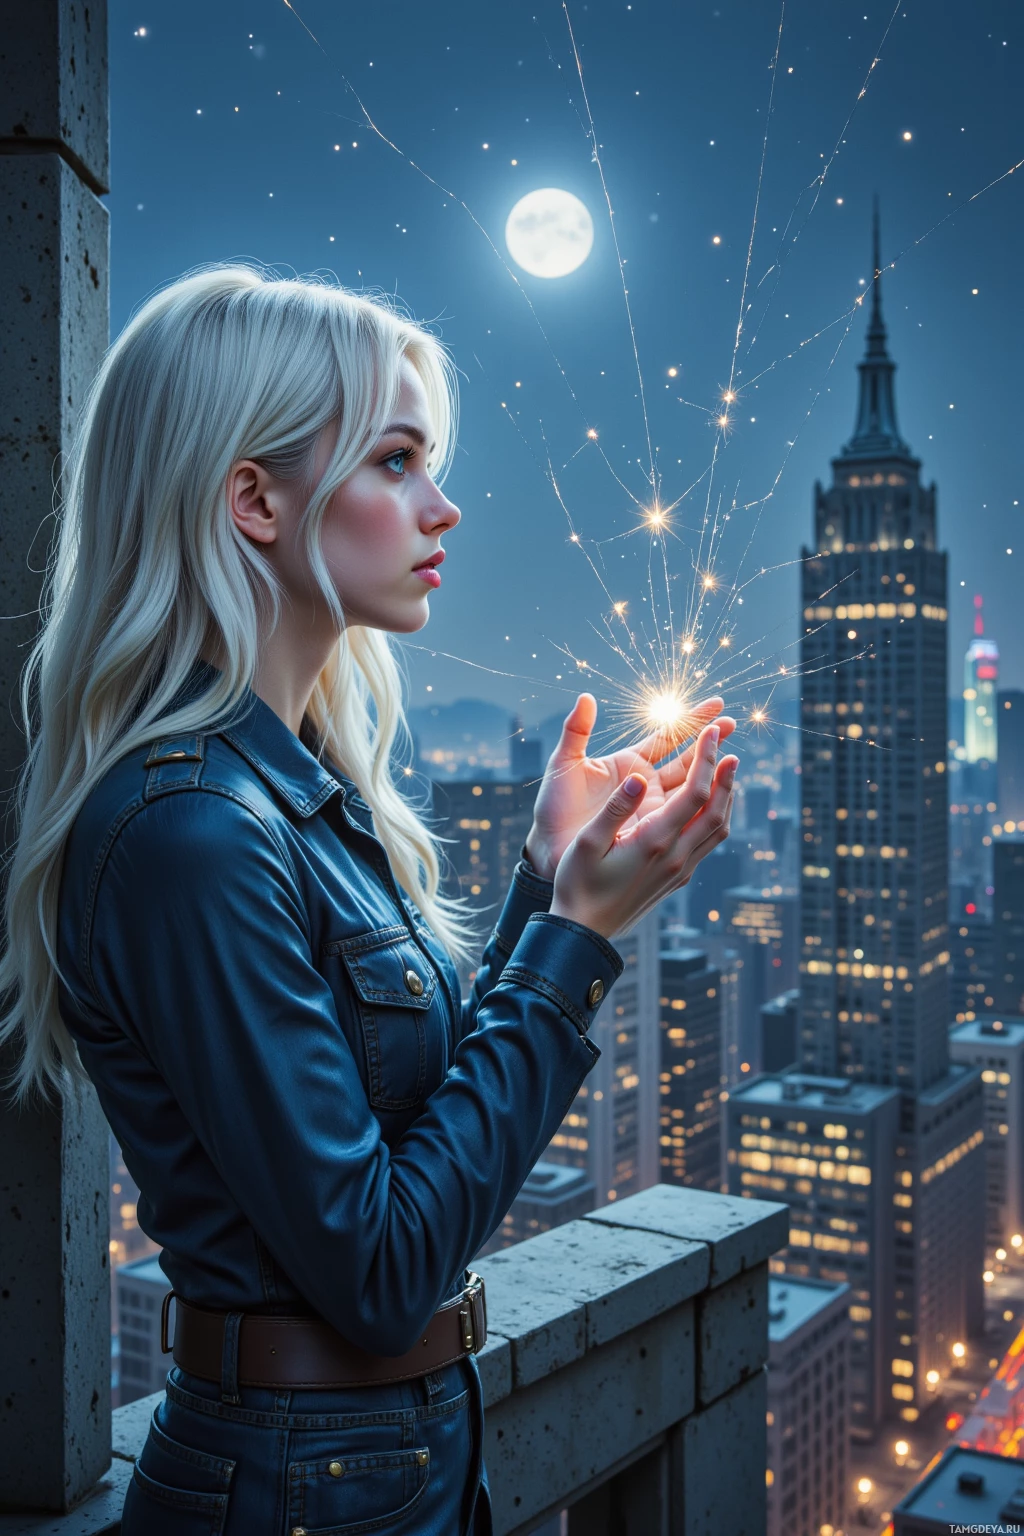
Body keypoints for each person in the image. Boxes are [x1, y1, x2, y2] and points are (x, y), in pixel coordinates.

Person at [0, 267, 738, 1534]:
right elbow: (387, 1267)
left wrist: (542, 886)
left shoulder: (294, 797)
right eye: (395, 461)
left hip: (378, 1468)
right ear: (254, 499)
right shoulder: (192, 833)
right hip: (296, 1491)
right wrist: (576, 939)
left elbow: (410, 1116)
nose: (443, 509)